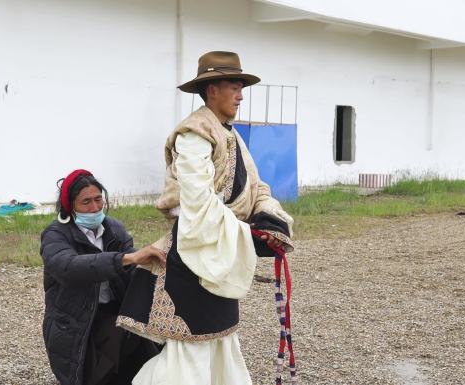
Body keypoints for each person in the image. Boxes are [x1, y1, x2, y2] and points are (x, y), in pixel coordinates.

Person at [117, 51, 294, 384]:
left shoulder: (231, 134)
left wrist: (269, 217)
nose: (241, 94)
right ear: (212, 89)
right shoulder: (194, 135)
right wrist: (246, 235)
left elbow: (256, 187)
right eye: (234, 85)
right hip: (195, 254)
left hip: (219, 251)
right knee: (190, 350)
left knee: (219, 342)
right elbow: (196, 202)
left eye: (242, 86)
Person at [40, 169, 166, 385]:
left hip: (114, 312)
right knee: (99, 371)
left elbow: (133, 269)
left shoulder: (114, 229)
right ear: (70, 207)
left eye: (98, 199)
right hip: (75, 320)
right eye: (86, 202)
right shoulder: (56, 235)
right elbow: (69, 268)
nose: (95, 207)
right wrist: (126, 258)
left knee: (149, 354)